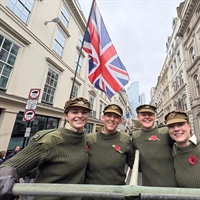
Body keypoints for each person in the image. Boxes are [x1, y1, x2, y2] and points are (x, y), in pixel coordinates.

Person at [0, 97, 91, 200]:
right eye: (74, 112)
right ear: (66, 115)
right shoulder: (50, 139)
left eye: (84, 112)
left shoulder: (85, 138)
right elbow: (13, 166)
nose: (80, 116)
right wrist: (5, 176)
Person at [84, 104, 134, 199]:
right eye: (109, 116)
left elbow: (134, 163)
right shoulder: (89, 139)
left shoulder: (125, 139)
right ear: (103, 117)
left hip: (117, 194)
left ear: (120, 120)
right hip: (91, 195)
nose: (112, 119)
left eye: (116, 117)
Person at [131, 104, 177, 187]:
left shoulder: (166, 132)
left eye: (150, 114)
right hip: (148, 188)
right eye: (143, 114)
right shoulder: (135, 136)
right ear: (138, 117)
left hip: (172, 187)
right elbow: (131, 158)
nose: (147, 117)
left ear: (154, 116)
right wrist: (145, 169)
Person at [165, 110, 200, 188]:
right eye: (171, 126)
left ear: (189, 126)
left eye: (180, 124)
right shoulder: (174, 149)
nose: (176, 129)